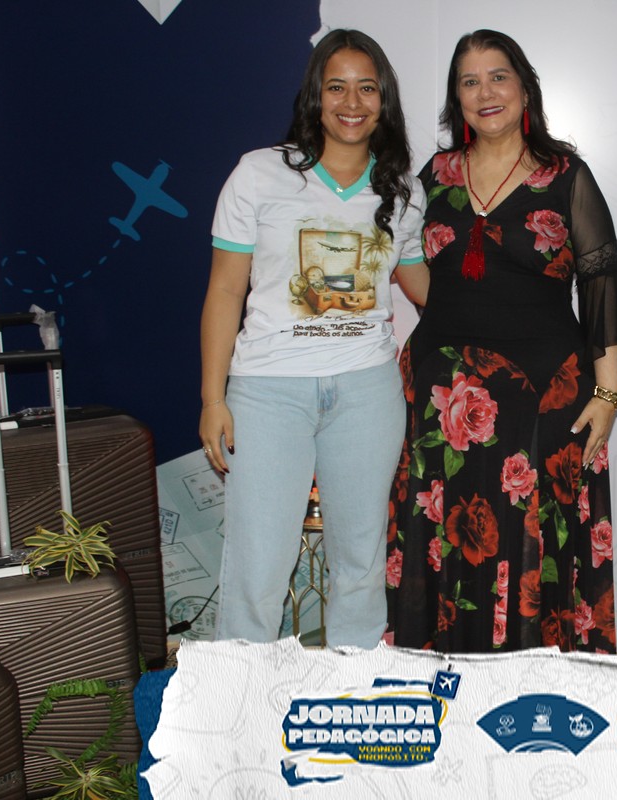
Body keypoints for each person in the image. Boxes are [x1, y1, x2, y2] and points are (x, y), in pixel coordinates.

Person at [386, 29, 617, 654]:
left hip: (543, 400)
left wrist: (608, 394)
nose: (485, 92)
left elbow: (601, 281)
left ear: (524, 88)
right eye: (469, 82)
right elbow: (414, 269)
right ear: (456, 99)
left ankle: (533, 686)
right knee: (447, 539)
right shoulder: (435, 176)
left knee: (531, 544)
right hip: (442, 406)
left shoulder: (565, 175)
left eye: (498, 76)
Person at [199, 29, 427, 648]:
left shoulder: (403, 191)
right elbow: (225, 291)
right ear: (315, 97)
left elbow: (422, 286)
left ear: (384, 100)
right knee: (258, 563)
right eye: (336, 87)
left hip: (366, 391)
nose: (351, 102)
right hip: (267, 393)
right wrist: (213, 398)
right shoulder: (259, 174)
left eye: (367, 88)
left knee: (360, 561)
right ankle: (242, 694)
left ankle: (351, 691)